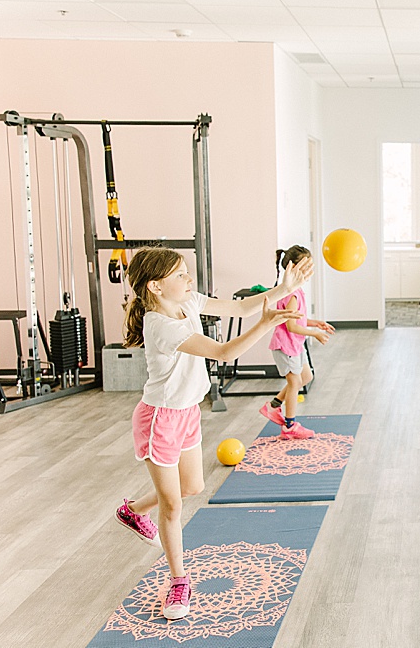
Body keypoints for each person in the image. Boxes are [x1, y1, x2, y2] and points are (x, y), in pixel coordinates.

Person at [113, 246, 311, 620]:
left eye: (187, 272)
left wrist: (283, 288)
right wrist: (266, 324)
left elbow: (239, 308)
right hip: (160, 420)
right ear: (156, 286)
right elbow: (222, 352)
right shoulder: (161, 326)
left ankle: (132, 510)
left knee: (192, 488)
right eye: (180, 275)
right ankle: (178, 581)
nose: (189, 279)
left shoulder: (187, 303)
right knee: (173, 505)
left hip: (187, 413)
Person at [259, 245, 336, 439]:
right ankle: (289, 427)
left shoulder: (298, 291)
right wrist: (314, 333)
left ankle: (273, 406)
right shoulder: (291, 294)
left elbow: (296, 320)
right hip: (286, 345)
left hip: (295, 345)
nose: (310, 270)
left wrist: (315, 323)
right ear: (293, 268)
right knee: (294, 383)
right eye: (305, 266)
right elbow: (291, 326)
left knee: (306, 377)